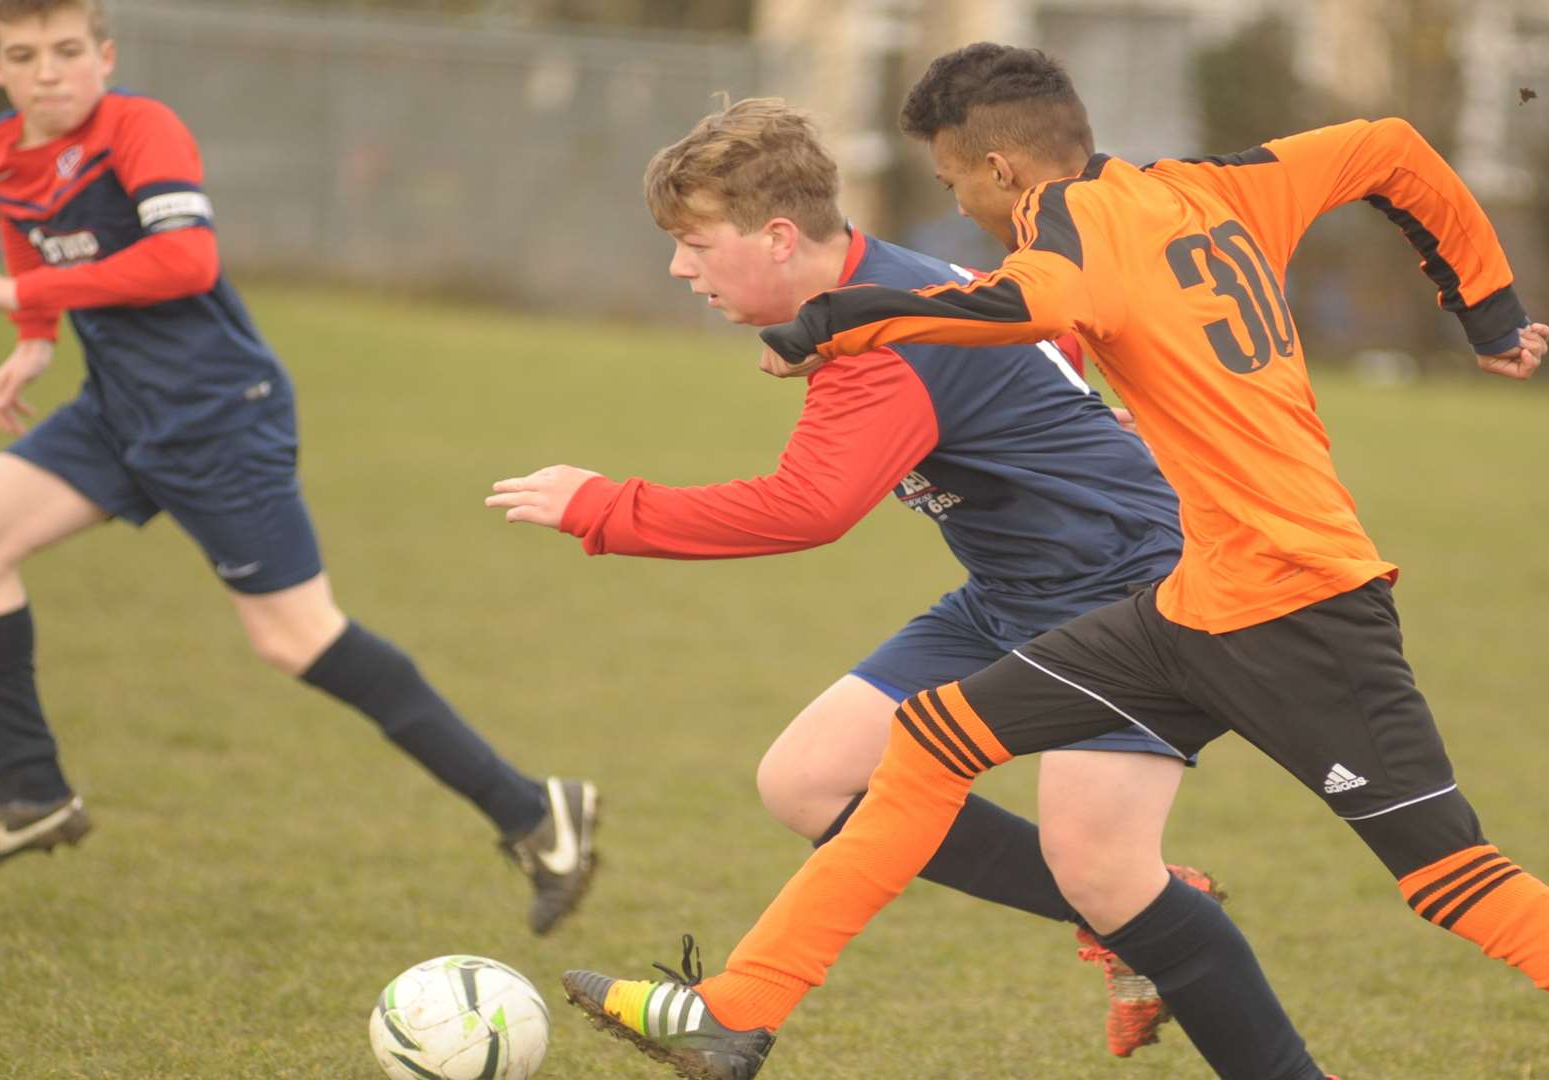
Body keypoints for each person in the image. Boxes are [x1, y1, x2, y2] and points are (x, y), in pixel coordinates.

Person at [562, 43, 1549, 1080]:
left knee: (1460, 887)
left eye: (959, 182)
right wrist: (1486, 306)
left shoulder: (1069, 233)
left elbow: (1024, 304)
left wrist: (832, 322)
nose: (959, 204)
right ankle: (735, 1017)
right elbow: (1391, 149)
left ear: (1006, 170)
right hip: (1188, 602)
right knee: (931, 745)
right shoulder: (1222, 185)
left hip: (1303, 606)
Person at [503, 97, 1322, 1075]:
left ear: (775, 237)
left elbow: (809, 508)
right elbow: (1053, 338)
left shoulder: (883, 344)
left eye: (694, 244)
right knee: (808, 780)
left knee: (1102, 868)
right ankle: (1139, 910)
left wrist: (606, 505)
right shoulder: (894, 282)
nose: (680, 268)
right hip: (1016, 591)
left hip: (1137, 596)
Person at [0, 0, 598, 937]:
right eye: (24, 56)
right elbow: (26, 225)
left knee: (296, 636)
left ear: (105, 56)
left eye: (69, 51)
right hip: (116, 410)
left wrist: (26, 295)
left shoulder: (140, 129)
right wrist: (33, 338)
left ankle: (533, 813)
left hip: (219, 414)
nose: (50, 72)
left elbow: (185, 261)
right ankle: (32, 793)